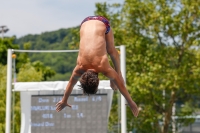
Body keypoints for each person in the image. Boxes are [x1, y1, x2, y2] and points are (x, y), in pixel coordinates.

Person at [56, 16, 139, 117]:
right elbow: (70, 84)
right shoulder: (79, 68)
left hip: (103, 23)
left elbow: (121, 86)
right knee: (110, 56)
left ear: (98, 80)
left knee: (112, 51)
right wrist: (64, 100)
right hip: (84, 23)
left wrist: (130, 102)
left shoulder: (102, 67)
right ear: (82, 78)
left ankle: (118, 73)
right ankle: (116, 75)